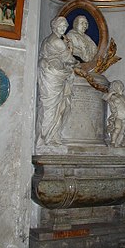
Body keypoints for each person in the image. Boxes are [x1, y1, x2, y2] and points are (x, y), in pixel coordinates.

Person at [36, 16, 78, 151]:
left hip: (52, 75)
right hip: (53, 77)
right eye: (61, 26)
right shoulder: (57, 42)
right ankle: (46, 138)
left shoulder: (46, 40)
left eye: (65, 27)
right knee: (52, 108)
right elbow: (69, 59)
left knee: (56, 107)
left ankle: (51, 137)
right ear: (54, 27)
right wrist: (75, 61)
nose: (64, 29)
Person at [103, 80, 125, 147]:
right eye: (117, 86)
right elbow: (105, 98)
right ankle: (113, 142)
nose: (119, 88)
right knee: (117, 128)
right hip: (118, 116)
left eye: (120, 86)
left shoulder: (124, 97)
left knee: (123, 130)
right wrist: (111, 93)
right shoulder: (112, 97)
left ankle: (119, 143)